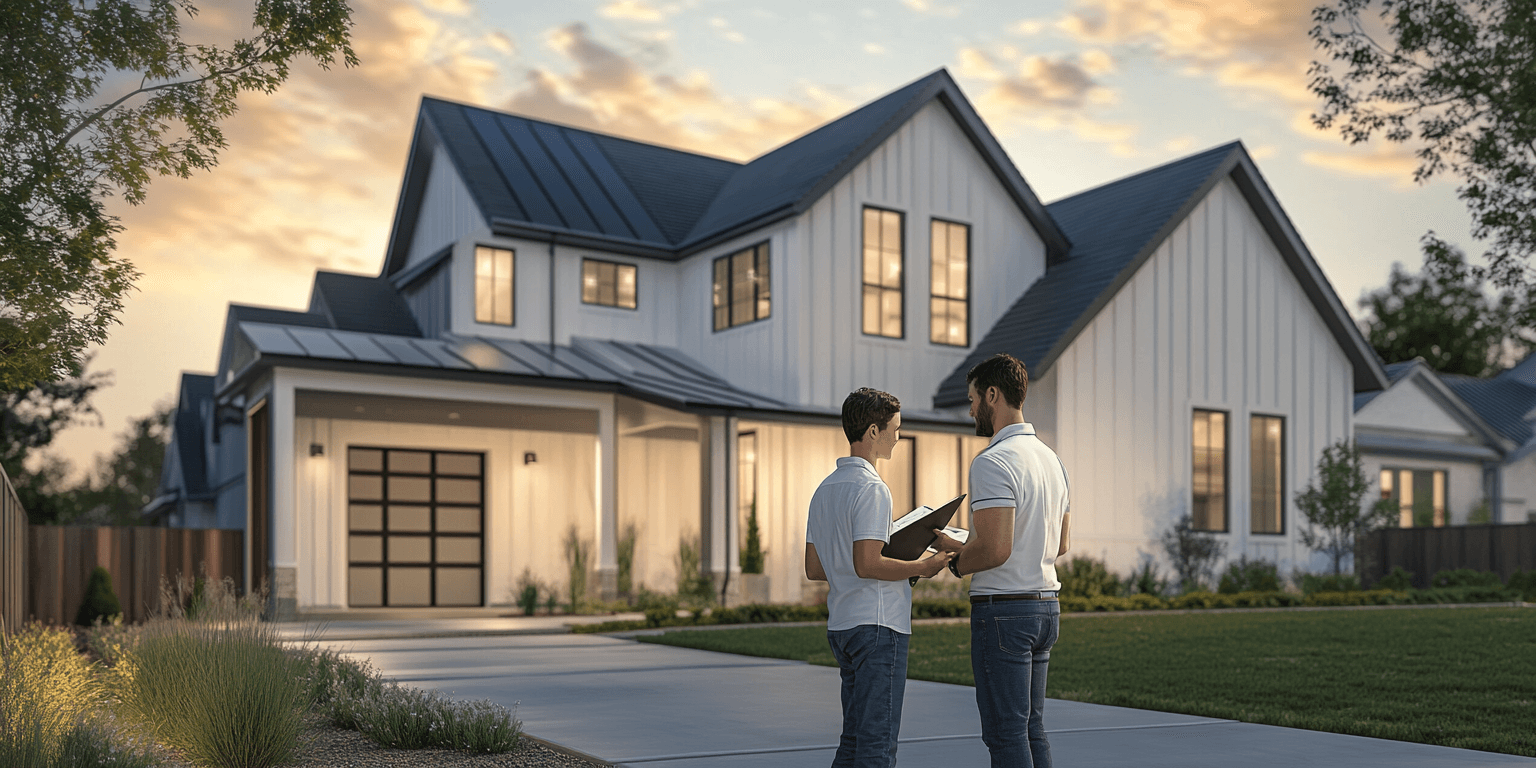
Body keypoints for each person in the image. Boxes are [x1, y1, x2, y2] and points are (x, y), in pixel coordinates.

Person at [804, 387, 955, 768]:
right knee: (877, 746)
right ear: (873, 431)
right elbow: (868, 563)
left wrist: (884, 560)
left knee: (853, 741)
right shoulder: (872, 488)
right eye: (895, 428)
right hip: (878, 627)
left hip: (843, 626)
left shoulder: (823, 492)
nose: (898, 436)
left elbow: (815, 568)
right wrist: (922, 566)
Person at [933, 353, 1071, 768]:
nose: (971, 408)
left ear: (993, 395)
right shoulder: (1052, 460)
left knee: (1005, 733)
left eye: (974, 398)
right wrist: (968, 543)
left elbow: (995, 550)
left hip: (1005, 614)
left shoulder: (993, 462)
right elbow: (1060, 543)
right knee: (1031, 728)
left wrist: (956, 562)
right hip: (1045, 607)